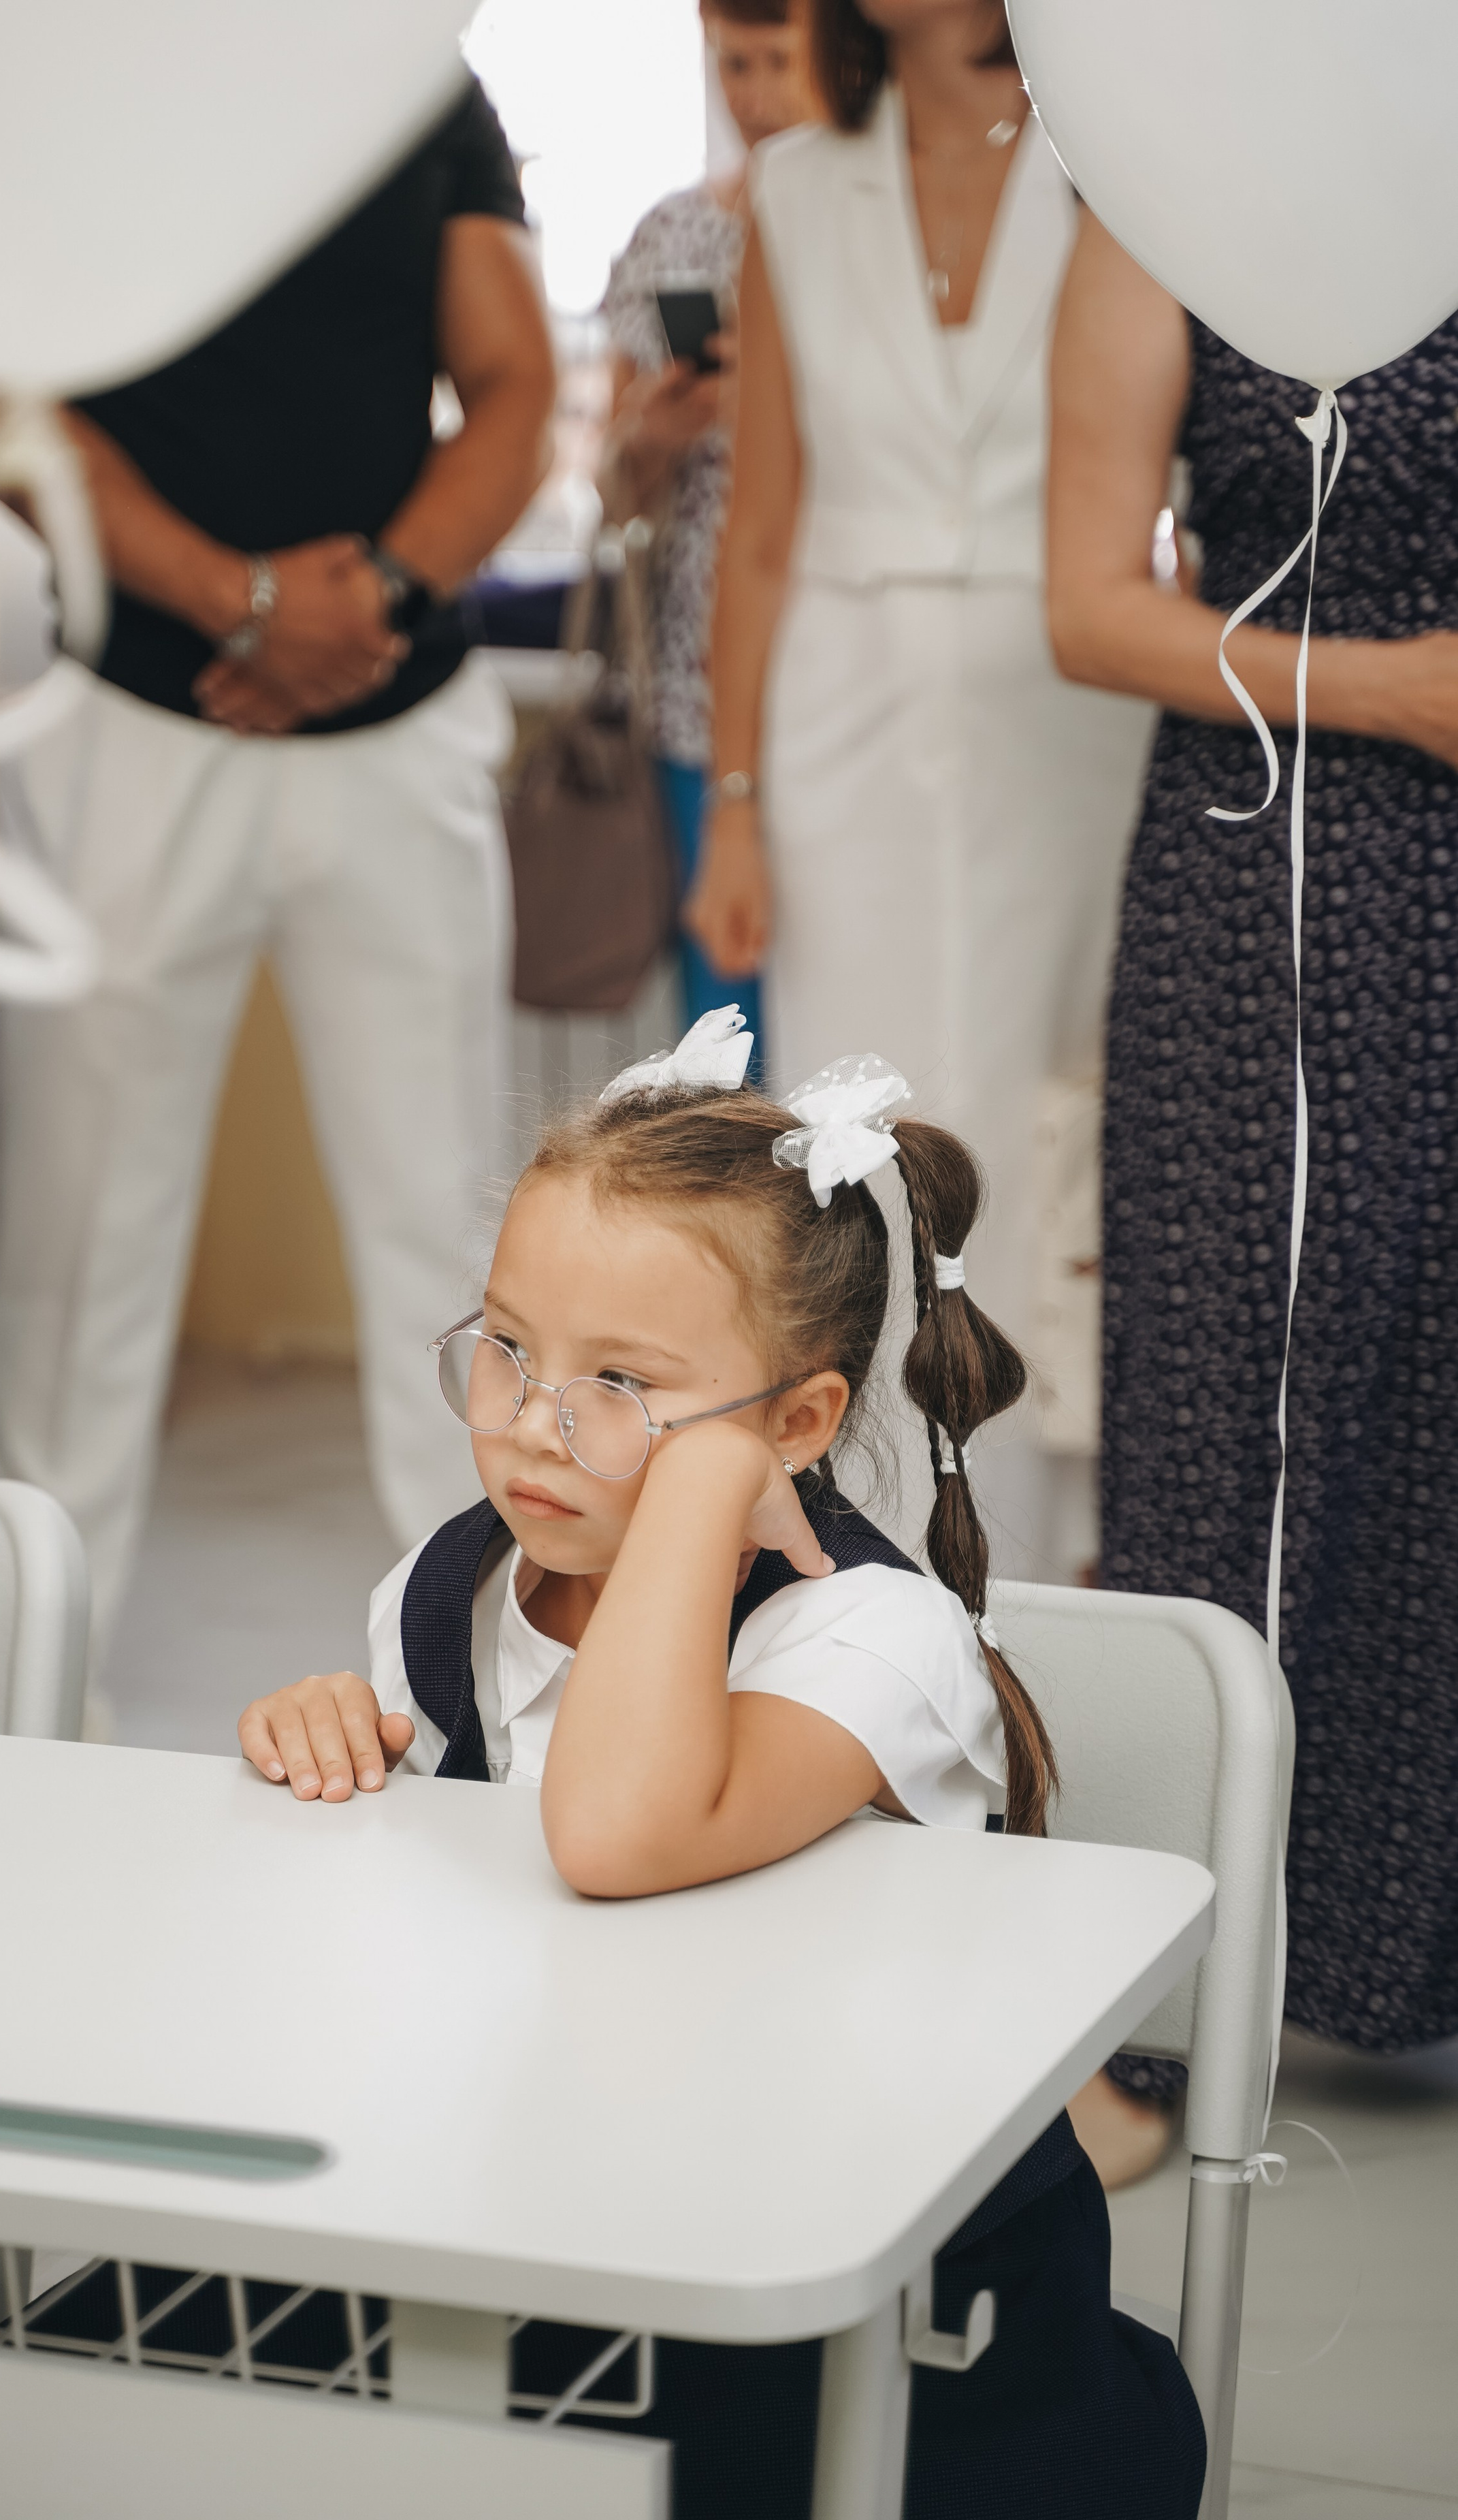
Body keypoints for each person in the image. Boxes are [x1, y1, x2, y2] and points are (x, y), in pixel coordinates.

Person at [237, 1006, 1207, 2520]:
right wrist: (330, 1737)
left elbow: (616, 1834)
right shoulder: (449, 1591)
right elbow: (434, 1922)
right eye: (506, 1347)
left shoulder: (872, 1642)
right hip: (558, 2236)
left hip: (863, 2333)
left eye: (621, 1383)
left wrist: (700, 1485)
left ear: (799, 1424)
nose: (531, 1423)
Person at [0, 76, 555, 1674]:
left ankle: (483, 1687)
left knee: (454, 1236)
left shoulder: (417, 79)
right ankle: (32, 1684)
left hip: (398, 712)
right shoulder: (60, 65)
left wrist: (371, 590)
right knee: (82, 1239)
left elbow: (511, 386)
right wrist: (237, 601)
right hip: (131, 721)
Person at [1048, 219, 1458, 2112]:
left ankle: (1403, 1954)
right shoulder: (1175, 195)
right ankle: (1144, 1988)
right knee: (1230, 1414)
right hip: (1272, 861)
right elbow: (1085, 606)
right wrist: (1395, 692)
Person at [689, 0, 1155, 1586]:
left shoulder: (1125, 159)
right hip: (839, 720)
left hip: (1074, 708)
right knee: (859, 1136)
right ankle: (875, 1551)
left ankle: (1067, 1555)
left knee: (1056, 1126)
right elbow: (756, 527)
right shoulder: (798, 188)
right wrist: (730, 801)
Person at [598, 0, 817, 1066]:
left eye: (781, 60)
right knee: (728, 1041)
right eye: (737, 63)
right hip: (700, 697)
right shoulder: (676, 236)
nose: (759, 94)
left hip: (844, 675)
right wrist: (659, 433)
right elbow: (615, 492)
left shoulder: (878, 238)